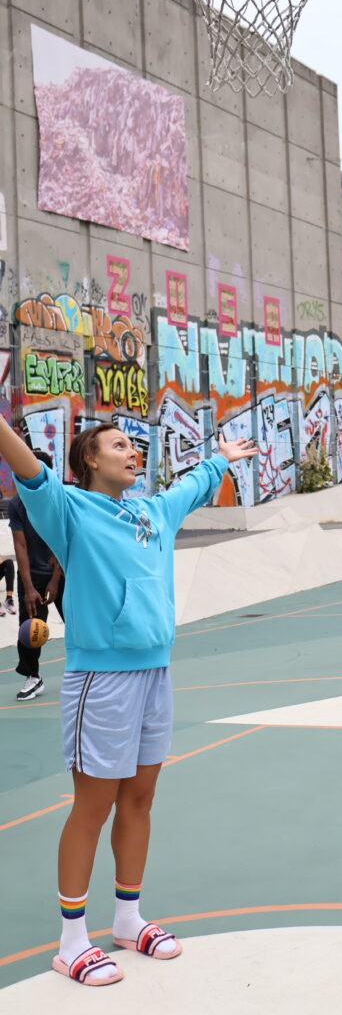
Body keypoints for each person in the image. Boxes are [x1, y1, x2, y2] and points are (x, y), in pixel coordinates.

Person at [2, 419, 256, 987]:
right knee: (93, 806)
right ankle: (72, 941)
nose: (132, 451)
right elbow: (28, 470)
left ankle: (127, 920)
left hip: (155, 675)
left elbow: (191, 486)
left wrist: (222, 459)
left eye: (133, 444)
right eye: (118, 444)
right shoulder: (68, 511)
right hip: (103, 680)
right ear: (89, 461)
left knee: (139, 799)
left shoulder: (152, 512)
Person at [11, 449, 65, 701]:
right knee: (29, 627)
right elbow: (20, 545)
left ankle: (91, 670)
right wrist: (29, 587)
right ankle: (33, 676)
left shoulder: (59, 499)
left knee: (80, 622)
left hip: (62, 571)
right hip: (32, 575)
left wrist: (55, 579)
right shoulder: (17, 503)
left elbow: (62, 541)